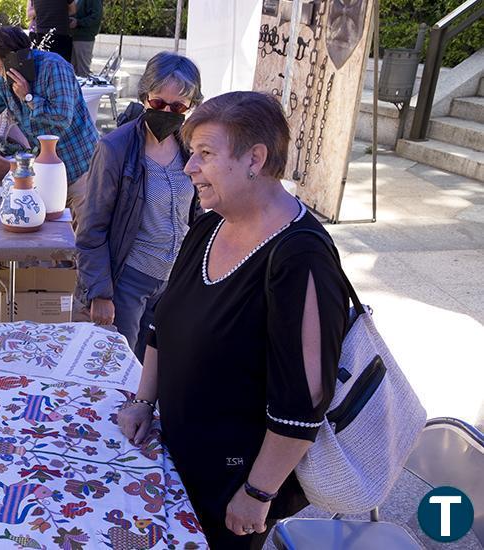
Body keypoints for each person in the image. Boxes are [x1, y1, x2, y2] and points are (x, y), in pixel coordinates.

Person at [117, 91, 350, 549]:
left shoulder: (299, 258)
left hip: (232, 482)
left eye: (205, 154)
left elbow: (303, 403)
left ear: (255, 159)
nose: (189, 167)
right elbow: (163, 322)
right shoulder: (210, 223)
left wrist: (258, 492)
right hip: (176, 455)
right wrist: (144, 401)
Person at [75, 52, 202, 362]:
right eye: (159, 103)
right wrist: (100, 293)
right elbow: (91, 227)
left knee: (156, 370)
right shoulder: (115, 149)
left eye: (178, 107)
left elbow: (197, 214)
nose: (167, 112)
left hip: (173, 282)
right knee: (121, 368)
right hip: (128, 283)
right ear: (145, 96)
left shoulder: (191, 148)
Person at [0, 26, 98, 188]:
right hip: (48, 172)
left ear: (10, 58)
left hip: (81, 170)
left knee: (80, 213)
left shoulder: (54, 67)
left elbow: (62, 118)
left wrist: (29, 97)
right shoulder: (4, 83)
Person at [30, 0, 76, 64]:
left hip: (41, 34)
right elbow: (73, 10)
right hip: (61, 34)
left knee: (42, 65)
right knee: (62, 66)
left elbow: (33, 13)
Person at [69, 0, 102, 77]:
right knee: (73, 73)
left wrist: (78, 22)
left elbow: (96, 17)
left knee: (83, 73)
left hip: (84, 39)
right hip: (73, 37)